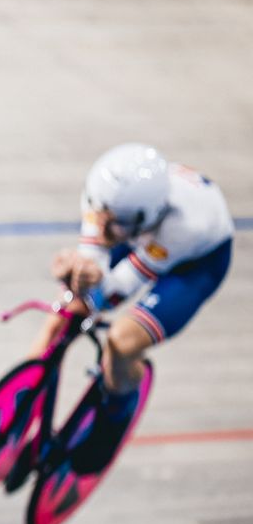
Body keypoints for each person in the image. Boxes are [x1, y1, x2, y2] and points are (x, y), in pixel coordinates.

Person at [38, 143, 233, 473]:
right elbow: (96, 254)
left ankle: (115, 417)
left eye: (110, 224)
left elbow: (114, 294)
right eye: (99, 217)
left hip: (196, 264)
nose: (99, 229)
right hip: (140, 235)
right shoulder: (105, 199)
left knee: (122, 341)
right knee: (66, 310)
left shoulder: (185, 226)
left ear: (143, 217)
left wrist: (92, 284)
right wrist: (78, 274)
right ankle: (22, 405)